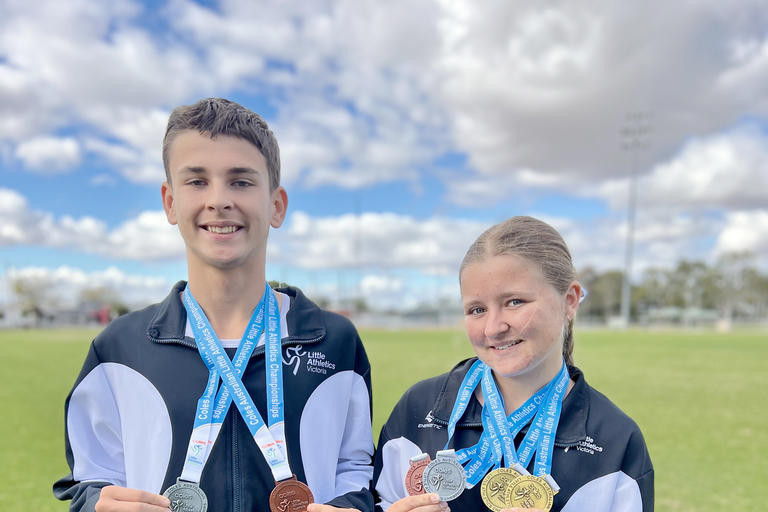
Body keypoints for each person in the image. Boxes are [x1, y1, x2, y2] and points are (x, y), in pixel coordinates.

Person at [54, 98, 375, 512]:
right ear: (170, 202)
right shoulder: (118, 348)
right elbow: (89, 480)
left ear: (276, 205)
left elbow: (358, 471)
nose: (219, 200)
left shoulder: (334, 342)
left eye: (241, 181)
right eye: (197, 181)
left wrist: (354, 505)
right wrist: (96, 503)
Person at [372, 216, 653, 512]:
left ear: (569, 301)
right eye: (477, 309)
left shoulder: (616, 440)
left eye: (514, 302)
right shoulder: (417, 410)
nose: (493, 328)